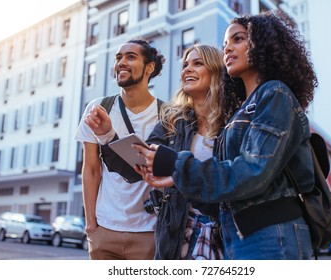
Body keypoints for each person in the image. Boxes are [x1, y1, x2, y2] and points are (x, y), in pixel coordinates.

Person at [134, 11, 318, 260]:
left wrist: (176, 165)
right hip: (239, 236)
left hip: (272, 234)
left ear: (263, 43)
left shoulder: (275, 94)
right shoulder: (241, 112)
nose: (228, 48)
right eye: (225, 44)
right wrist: (179, 181)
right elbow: (227, 195)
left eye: (238, 39)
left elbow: (253, 172)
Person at [87, 44, 244, 259]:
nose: (187, 69)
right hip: (178, 233)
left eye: (198, 64)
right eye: (185, 64)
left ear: (217, 71)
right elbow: (137, 169)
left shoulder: (235, 121)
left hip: (224, 233)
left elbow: (239, 178)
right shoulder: (172, 121)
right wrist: (107, 135)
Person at [74, 39, 165, 260]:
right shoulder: (98, 108)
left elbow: (157, 173)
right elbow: (91, 170)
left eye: (130, 57)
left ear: (149, 67)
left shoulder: (167, 114)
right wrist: (91, 225)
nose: (121, 63)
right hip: (104, 229)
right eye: (118, 58)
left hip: (148, 232)